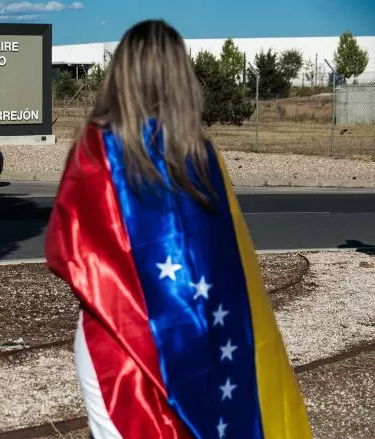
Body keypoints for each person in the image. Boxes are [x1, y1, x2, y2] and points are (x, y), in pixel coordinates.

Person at [44, 20, 312, 438]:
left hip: (117, 337)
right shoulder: (202, 155)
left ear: (121, 75)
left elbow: (68, 251)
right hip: (201, 336)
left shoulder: (95, 149)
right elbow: (231, 266)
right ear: (181, 78)